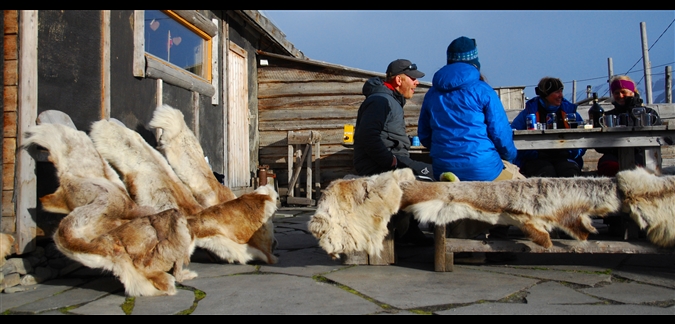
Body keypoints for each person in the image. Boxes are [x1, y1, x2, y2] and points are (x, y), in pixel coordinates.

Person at [417, 36, 521, 261]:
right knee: (515, 184)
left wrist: (445, 149)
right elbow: (501, 135)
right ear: (475, 61)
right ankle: (499, 242)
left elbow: (424, 135)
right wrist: (511, 158)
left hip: (445, 169)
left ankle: (463, 243)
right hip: (482, 167)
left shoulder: (432, 93)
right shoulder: (483, 90)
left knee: (457, 190)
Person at [353, 58, 434, 246]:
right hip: (378, 167)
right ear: (399, 80)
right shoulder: (381, 101)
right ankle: (408, 232)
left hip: (390, 162)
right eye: (412, 78)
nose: (416, 82)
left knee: (428, 171)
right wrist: (391, 162)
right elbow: (367, 137)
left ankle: (408, 230)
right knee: (432, 175)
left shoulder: (390, 100)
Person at [511, 77, 586, 178]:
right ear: (546, 94)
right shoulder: (529, 112)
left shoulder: (569, 111)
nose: (561, 95)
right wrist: (533, 154)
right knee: (546, 174)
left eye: (561, 91)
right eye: (557, 92)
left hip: (565, 156)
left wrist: (573, 152)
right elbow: (513, 135)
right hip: (537, 158)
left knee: (570, 173)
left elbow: (583, 136)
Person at [596, 75, 661, 177]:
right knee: (608, 166)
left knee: (644, 167)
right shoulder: (608, 116)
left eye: (623, 92)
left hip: (644, 154)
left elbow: (658, 137)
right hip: (614, 155)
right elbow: (599, 144)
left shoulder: (648, 113)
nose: (620, 96)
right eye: (616, 93)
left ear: (632, 92)